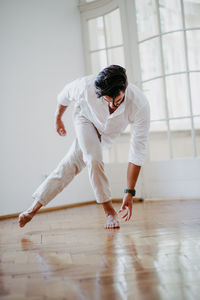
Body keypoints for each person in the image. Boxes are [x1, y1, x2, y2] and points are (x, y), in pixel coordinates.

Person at [18, 65, 150, 229]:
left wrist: (129, 192)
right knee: (93, 160)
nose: (112, 106)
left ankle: (32, 209)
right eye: (107, 100)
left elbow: (137, 151)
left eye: (117, 101)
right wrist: (58, 118)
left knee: (69, 164)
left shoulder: (140, 105)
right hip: (85, 120)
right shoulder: (85, 86)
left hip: (107, 135)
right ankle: (109, 212)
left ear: (125, 89)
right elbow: (64, 96)